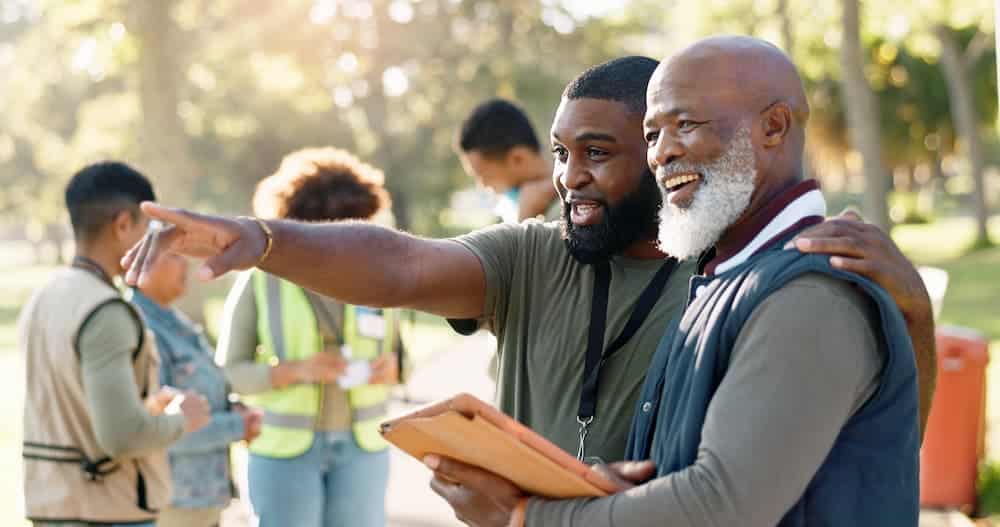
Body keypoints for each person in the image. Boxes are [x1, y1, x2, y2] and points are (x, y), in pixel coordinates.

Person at [121, 58, 935, 472]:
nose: (568, 177)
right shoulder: (530, 255)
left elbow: (884, 437)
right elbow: (400, 265)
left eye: (597, 152)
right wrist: (263, 239)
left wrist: (914, 313)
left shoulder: (743, 274)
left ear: (664, 154)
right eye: (557, 153)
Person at [426, 36, 924, 527]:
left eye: (684, 124)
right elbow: (686, 476)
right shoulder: (724, 277)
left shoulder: (813, 293)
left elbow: (720, 505)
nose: (661, 154)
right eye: (650, 135)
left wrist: (522, 517)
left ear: (773, 126)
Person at [214, 147, 402, 527]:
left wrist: (392, 369)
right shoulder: (260, 278)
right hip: (285, 454)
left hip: (363, 451)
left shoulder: (380, 273)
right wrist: (296, 370)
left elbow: (401, 359)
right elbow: (228, 373)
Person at [19, 161, 210, 527]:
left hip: (50, 504)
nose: (154, 242)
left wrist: (147, 408)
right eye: (149, 229)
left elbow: (72, 406)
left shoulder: (44, 295)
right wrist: (183, 419)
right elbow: (122, 437)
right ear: (123, 225)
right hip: (106, 510)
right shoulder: (106, 311)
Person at [130, 245, 263, 527]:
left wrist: (235, 409)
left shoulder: (178, 323)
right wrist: (238, 426)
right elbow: (163, 428)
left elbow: (207, 396)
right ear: (142, 264)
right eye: (174, 255)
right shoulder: (142, 330)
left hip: (202, 502)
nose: (186, 264)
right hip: (173, 506)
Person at [457, 98, 560, 222]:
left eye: (484, 175)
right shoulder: (507, 210)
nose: (482, 185)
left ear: (517, 158)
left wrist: (524, 222)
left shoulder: (566, 210)